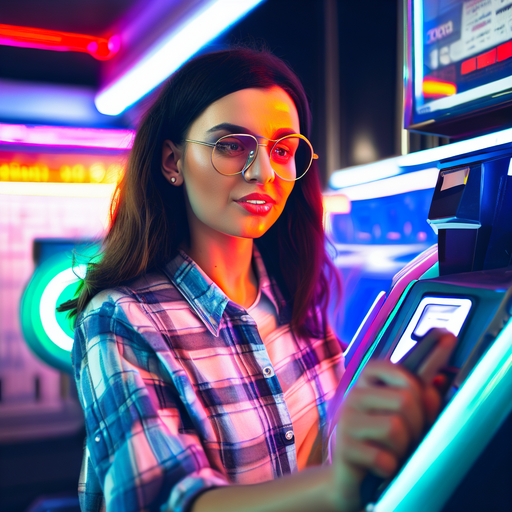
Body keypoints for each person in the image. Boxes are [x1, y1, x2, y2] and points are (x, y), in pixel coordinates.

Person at [61, 47, 449, 512]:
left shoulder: (294, 295)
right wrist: (336, 486)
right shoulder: (121, 319)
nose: (264, 172)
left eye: (282, 150)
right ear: (172, 162)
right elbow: (165, 501)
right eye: (231, 145)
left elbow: (322, 445)